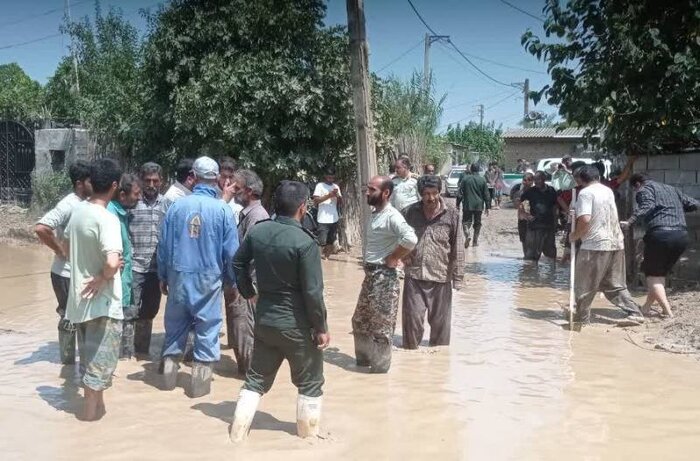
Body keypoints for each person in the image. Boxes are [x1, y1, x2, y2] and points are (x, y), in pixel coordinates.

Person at [230, 180, 330, 442]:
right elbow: (312, 293)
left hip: (264, 323)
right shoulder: (305, 243)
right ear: (302, 208)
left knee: (254, 382)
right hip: (297, 328)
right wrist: (321, 329)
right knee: (310, 383)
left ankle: (236, 436)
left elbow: (237, 262)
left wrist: (249, 292)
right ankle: (308, 441)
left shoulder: (258, 233)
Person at [157, 156, 239, 398]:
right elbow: (231, 253)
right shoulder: (223, 210)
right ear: (216, 179)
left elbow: (163, 246)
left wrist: (163, 276)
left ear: (194, 175)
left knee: (173, 332)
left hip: (178, 277)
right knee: (207, 331)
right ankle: (199, 393)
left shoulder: (176, 207)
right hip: (208, 280)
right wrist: (232, 282)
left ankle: (167, 386)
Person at [63, 158, 124, 421]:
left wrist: (85, 266)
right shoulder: (107, 218)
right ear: (114, 185)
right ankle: (87, 423)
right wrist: (101, 276)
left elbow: (65, 247)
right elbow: (112, 262)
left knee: (91, 366)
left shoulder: (78, 211)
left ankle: (97, 413)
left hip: (80, 303)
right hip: (103, 305)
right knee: (98, 372)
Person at [351, 176, 417, 373]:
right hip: (371, 275)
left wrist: (394, 257)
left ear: (385, 193)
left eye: (371, 189)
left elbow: (411, 239)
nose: (367, 193)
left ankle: (378, 373)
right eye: (367, 189)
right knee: (360, 322)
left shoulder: (392, 215)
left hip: (384, 277)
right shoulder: (375, 213)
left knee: (381, 328)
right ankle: (362, 364)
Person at [569, 165, 644, 326]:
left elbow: (585, 220)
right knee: (614, 284)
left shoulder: (585, 193)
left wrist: (574, 236)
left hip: (595, 246)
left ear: (581, 179)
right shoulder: (607, 190)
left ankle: (581, 321)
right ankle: (634, 312)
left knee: (584, 285)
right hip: (616, 243)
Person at [35, 160, 92, 365]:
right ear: (79, 183)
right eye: (89, 180)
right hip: (65, 274)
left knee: (82, 317)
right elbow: (41, 228)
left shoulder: (86, 203)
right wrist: (60, 250)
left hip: (78, 273)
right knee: (70, 318)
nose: (93, 183)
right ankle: (68, 365)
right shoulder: (68, 204)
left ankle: (81, 365)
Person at [621, 173, 699, 317]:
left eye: (634, 190)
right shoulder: (672, 189)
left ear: (636, 184)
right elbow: (694, 203)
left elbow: (647, 205)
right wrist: (676, 208)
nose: (636, 193)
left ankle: (668, 312)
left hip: (660, 235)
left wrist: (630, 221)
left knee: (652, 275)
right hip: (681, 236)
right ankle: (646, 308)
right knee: (659, 275)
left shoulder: (644, 190)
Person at [401, 175, 464, 349]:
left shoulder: (452, 214)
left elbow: (458, 246)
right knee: (412, 322)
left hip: (441, 276)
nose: (431, 198)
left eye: (434, 193)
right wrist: (401, 255)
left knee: (441, 328)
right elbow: (395, 237)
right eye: (427, 194)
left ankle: (440, 365)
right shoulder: (408, 213)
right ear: (421, 194)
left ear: (440, 192)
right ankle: (410, 359)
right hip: (414, 274)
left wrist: (458, 277)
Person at [227, 168, 269, 374]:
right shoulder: (248, 215)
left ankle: (250, 377)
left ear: (250, 191)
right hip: (245, 283)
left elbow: (252, 256)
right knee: (240, 330)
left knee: (245, 331)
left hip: (249, 285)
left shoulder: (257, 216)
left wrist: (244, 287)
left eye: (237, 187)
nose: (233, 191)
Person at [128, 162, 170, 357]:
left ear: (161, 182)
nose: (151, 185)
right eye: (147, 181)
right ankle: (127, 354)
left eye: (155, 181)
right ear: (141, 180)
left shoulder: (168, 205)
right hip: (134, 266)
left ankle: (142, 352)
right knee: (130, 311)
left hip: (156, 270)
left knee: (150, 310)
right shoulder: (132, 203)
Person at [107, 174, 142, 359]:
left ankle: (125, 358)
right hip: (114, 284)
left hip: (124, 282)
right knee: (115, 326)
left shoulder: (122, 214)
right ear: (122, 195)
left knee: (126, 320)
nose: (139, 197)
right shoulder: (111, 215)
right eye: (136, 193)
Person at [519, 171, 559, 261]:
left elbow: (555, 206)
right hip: (534, 226)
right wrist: (525, 214)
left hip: (549, 225)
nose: (536, 182)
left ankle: (551, 273)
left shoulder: (551, 190)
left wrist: (556, 221)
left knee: (550, 254)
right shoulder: (531, 191)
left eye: (539, 179)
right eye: (535, 180)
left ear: (544, 179)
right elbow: (519, 201)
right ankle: (530, 273)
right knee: (531, 255)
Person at [313, 167, 343, 259]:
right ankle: (317, 259)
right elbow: (316, 200)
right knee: (321, 241)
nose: (331, 179)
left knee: (331, 240)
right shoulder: (320, 186)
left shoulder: (336, 187)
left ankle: (326, 259)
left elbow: (340, 203)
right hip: (322, 218)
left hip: (334, 218)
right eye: (329, 177)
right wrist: (329, 195)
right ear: (325, 176)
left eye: (333, 178)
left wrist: (338, 196)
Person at [458, 163, 490, 247]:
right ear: (479, 169)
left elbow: (460, 193)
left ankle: (467, 234)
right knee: (477, 223)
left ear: (471, 169)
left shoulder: (465, 179)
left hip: (467, 204)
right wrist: (487, 206)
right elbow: (486, 194)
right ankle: (475, 242)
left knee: (466, 222)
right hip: (479, 205)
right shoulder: (482, 180)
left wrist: (457, 204)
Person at [515, 172, 534, 257]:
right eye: (525, 180)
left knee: (532, 241)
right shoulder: (519, 193)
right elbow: (516, 206)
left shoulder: (536, 193)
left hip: (533, 220)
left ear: (532, 181)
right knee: (523, 240)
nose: (526, 182)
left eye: (529, 180)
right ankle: (526, 258)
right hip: (522, 220)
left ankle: (531, 260)